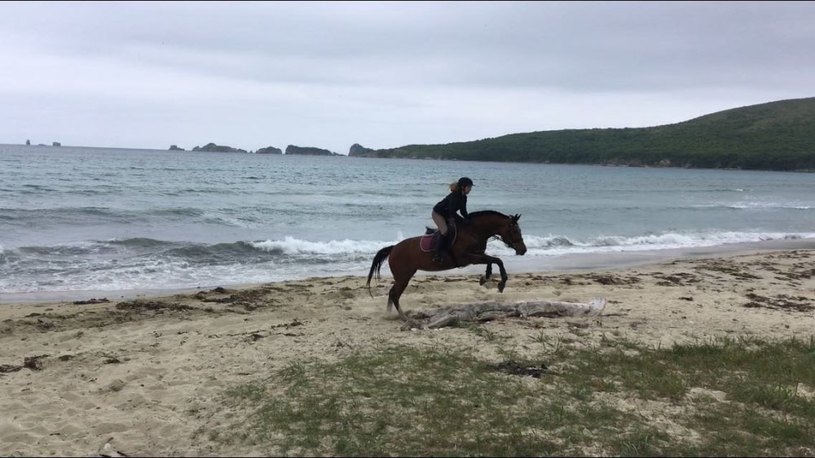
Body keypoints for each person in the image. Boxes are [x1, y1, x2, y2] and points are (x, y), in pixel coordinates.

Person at [431, 176, 473, 263]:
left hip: (447, 214)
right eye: (469, 187)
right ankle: (437, 255)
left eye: (470, 187)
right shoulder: (454, 196)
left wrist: (470, 219)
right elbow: (452, 212)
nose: (470, 189)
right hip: (438, 213)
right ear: (463, 187)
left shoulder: (464, 197)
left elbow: (463, 211)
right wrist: (463, 220)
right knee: (445, 231)